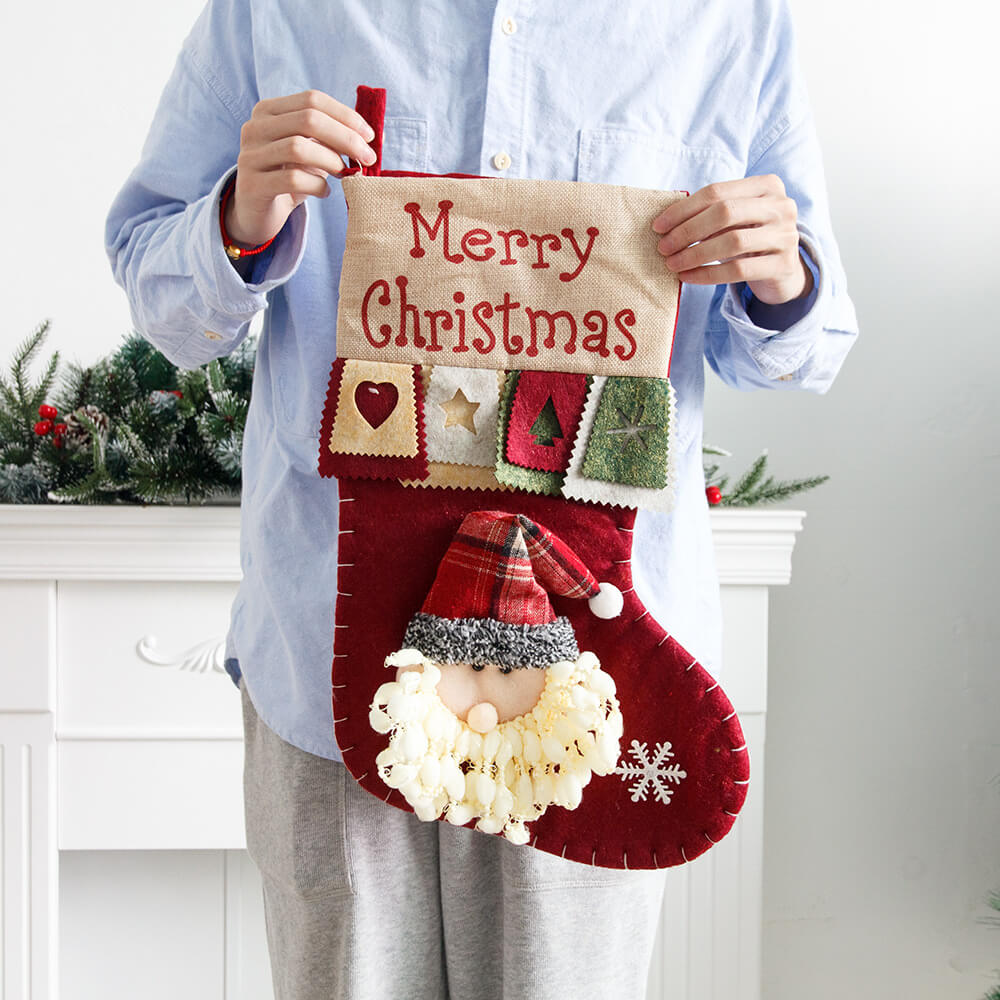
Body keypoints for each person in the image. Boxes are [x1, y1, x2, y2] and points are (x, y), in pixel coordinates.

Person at [105, 2, 858, 997]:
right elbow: (161, 296)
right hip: (326, 646)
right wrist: (239, 221)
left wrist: (780, 276)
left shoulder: (730, 24)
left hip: (600, 668)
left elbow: (807, 344)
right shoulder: (274, 13)